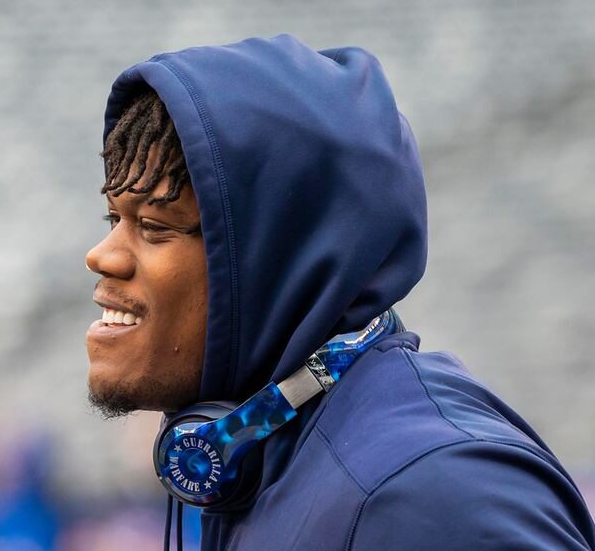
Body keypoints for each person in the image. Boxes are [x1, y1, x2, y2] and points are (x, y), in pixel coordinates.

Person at [84, 34, 595, 551]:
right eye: (114, 218)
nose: (101, 255)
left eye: (154, 226)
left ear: (277, 254)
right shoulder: (261, 462)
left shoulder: (431, 494)